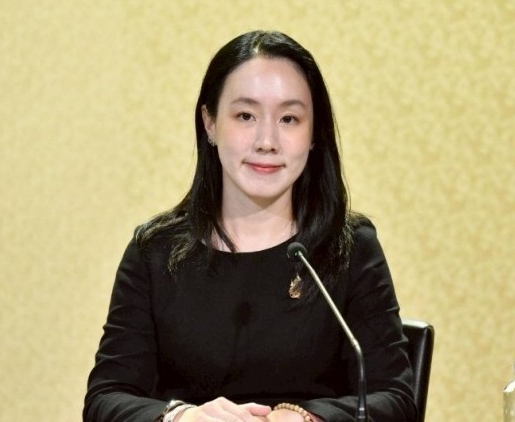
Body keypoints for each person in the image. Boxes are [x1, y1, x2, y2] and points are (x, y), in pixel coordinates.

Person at [83, 30, 416, 422]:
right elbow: (105, 400)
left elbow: (396, 400)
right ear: (210, 123)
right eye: (245, 116)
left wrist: (306, 417)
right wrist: (182, 417)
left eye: (289, 119)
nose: (267, 141)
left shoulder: (349, 247)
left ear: (313, 134)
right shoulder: (155, 252)